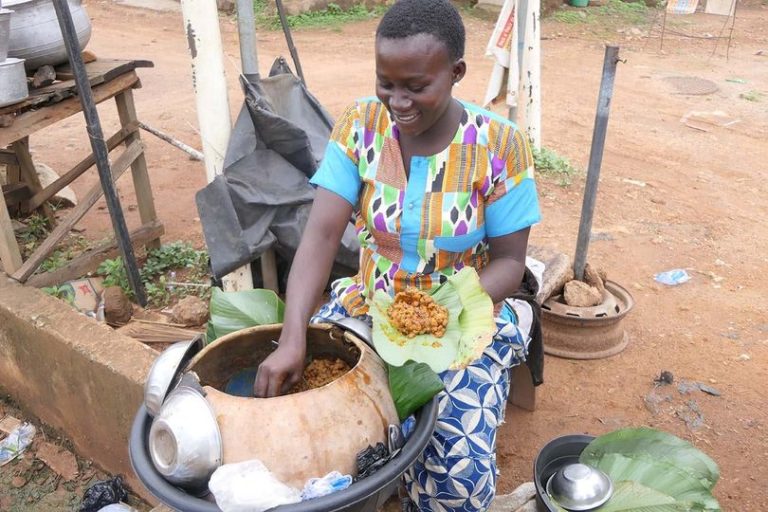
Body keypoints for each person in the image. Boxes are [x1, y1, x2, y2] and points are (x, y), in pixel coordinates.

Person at [254, 0, 541, 509]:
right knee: (319, 422)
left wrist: (447, 311)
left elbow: (510, 263)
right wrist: (292, 334)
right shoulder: (362, 125)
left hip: (464, 311)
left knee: (455, 456)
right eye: (387, 83)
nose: (398, 101)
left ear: (455, 73)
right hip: (370, 301)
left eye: (416, 86)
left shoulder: (498, 144)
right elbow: (320, 237)